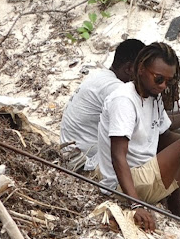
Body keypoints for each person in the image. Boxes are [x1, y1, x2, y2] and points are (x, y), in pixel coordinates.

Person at [96, 42, 180, 232]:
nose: (163, 86)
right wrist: (135, 204)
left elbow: (163, 136)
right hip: (123, 187)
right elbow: (118, 156)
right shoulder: (124, 99)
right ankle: (176, 209)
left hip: (144, 176)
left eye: (168, 82)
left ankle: (177, 209)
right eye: (158, 79)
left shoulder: (153, 97)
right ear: (140, 69)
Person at [60, 39, 145, 172]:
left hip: (73, 155)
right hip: (83, 164)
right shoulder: (116, 89)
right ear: (129, 69)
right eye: (142, 70)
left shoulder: (102, 76)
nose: (143, 76)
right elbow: (147, 122)